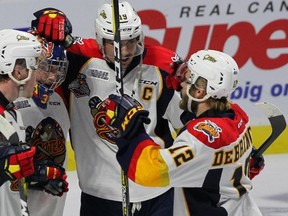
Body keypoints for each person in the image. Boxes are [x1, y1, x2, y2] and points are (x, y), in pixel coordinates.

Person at [31, 2, 191, 215]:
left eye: (130, 42)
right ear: (99, 38)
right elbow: (26, 50)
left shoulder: (162, 65)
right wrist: (45, 22)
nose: (124, 52)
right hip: (99, 194)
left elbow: (191, 122)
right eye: (115, 44)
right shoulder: (77, 58)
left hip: (158, 193)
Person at [104, 49, 264, 216]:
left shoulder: (202, 138)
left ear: (199, 92)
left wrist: (131, 130)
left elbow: (148, 171)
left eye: (187, 81)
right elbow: (223, 167)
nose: (181, 85)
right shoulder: (239, 117)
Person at [14, 36, 70, 216]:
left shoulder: (60, 102)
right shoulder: (12, 102)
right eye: (47, 68)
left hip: (53, 209)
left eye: (58, 68)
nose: (53, 76)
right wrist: (36, 176)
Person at [0, 29, 40, 215]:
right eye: (35, 66)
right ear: (18, 71)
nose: (37, 75)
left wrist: (39, 175)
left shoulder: (13, 112)